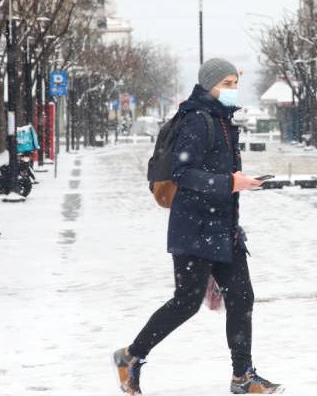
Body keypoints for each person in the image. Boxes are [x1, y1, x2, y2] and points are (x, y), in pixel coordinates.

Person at [113, 58, 282, 395]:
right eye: (227, 84)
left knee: (242, 297)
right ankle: (131, 356)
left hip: (223, 226)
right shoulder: (197, 120)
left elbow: (218, 174)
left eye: (235, 83)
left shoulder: (221, 119)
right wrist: (230, 183)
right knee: (186, 302)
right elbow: (183, 174)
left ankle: (243, 376)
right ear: (209, 85)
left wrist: (240, 182)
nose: (233, 90)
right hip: (194, 227)